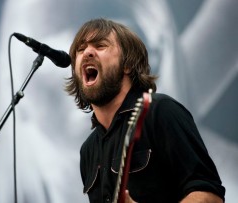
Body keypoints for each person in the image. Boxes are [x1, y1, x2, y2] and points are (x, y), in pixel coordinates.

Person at [65, 18, 225, 203]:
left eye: (100, 46)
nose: (87, 53)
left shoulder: (160, 111)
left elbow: (209, 196)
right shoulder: (88, 150)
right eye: (80, 49)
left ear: (127, 64)